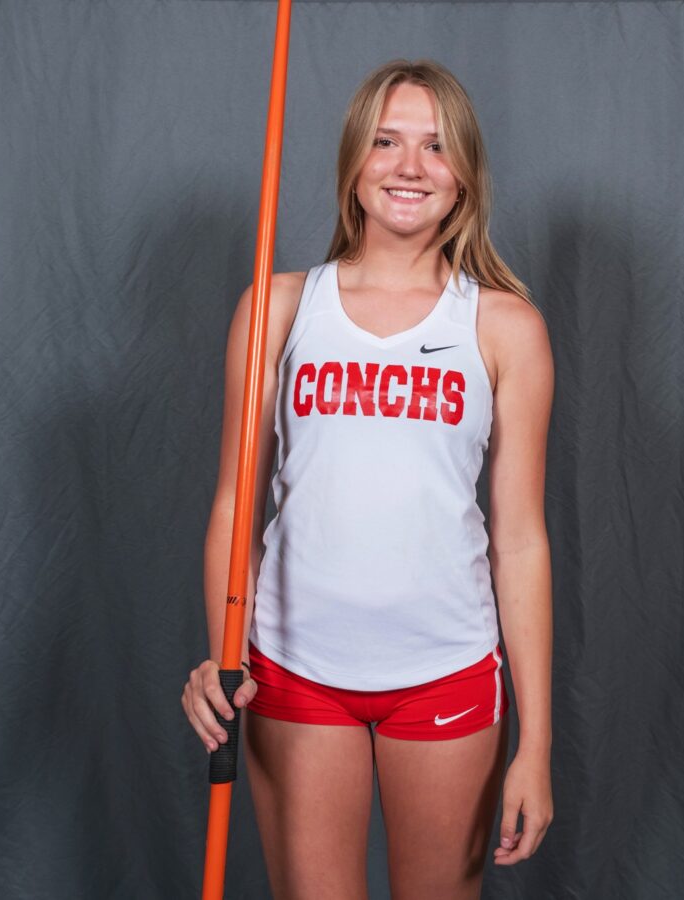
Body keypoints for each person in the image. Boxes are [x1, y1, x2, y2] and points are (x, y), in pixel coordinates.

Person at [181, 58, 555, 900]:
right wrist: (224, 656)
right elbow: (234, 504)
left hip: (447, 672)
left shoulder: (504, 326)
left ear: (464, 179)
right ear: (354, 161)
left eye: (435, 147)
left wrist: (537, 743)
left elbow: (522, 539)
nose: (409, 166)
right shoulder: (278, 308)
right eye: (386, 141)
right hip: (294, 672)